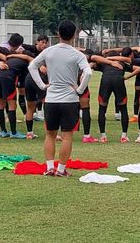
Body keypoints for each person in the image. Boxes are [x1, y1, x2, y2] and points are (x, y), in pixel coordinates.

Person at [28, 20, 92, 177]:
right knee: (67, 135)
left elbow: (32, 66)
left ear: (58, 34)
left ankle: (50, 167)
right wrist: (80, 89)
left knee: (50, 134)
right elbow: (89, 73)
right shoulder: (77, 54)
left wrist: (43, 86)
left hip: (51, 99)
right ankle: (61, 170)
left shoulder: (49, 51)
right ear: (74, 35)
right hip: (69, 100)